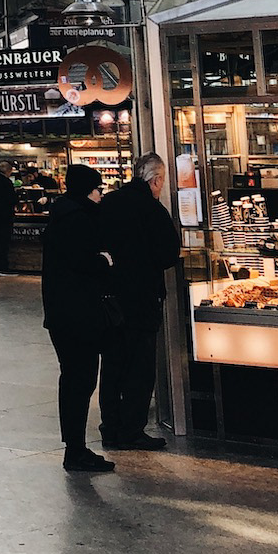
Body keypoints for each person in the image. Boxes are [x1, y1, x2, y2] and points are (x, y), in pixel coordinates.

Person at [97, 153, 181, 450]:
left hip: (111, 301)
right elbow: (168, 254)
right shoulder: (153, 210)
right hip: (142, 299)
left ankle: (109, 428)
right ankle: (132, 429)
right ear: (156, 180)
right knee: (140, 367)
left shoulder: (108, 202)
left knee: (112, 364)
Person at [41, 164, 117, 472]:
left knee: (72, 379)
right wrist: (105, 260)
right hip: (78, 315)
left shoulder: (62, 214)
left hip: (61, 314)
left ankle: (74, 447)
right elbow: (84, 263)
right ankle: (75, 450)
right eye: (98, 190)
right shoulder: (79, 220)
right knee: (80, 380)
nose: (101, 196)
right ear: (88, 190)